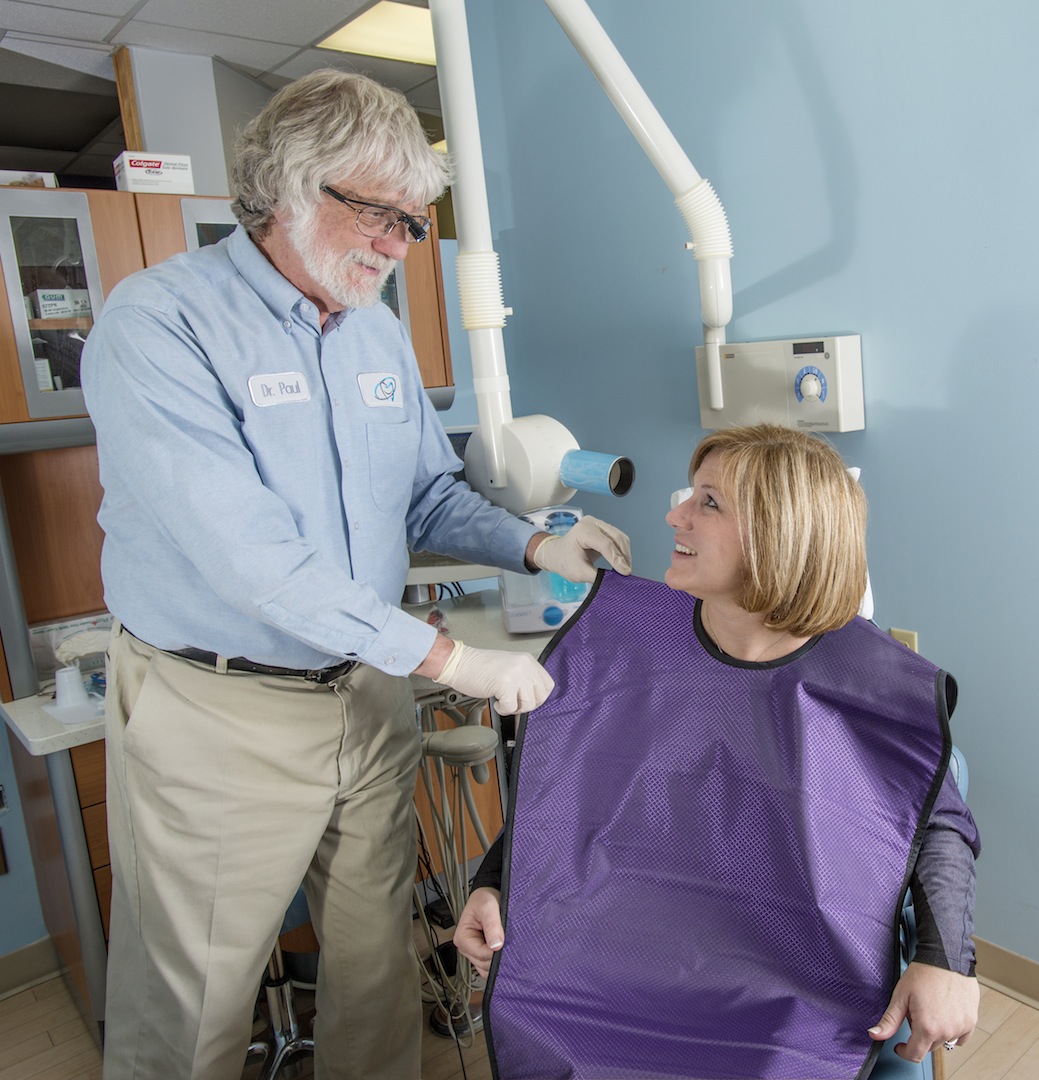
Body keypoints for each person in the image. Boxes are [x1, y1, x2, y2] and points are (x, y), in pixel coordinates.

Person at [80, 69, 631, 1080]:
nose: (397, 244)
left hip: (366, 696)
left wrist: (535, 544)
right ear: (286, 187)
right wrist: (454, 662)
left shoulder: (373, 327)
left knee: (377, 974)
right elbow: (252, 561)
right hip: (223, 711)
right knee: (191, 1008)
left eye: (413, 222)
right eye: (378, 213)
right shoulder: (160, 324)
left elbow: (421, 496)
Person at [454, 423, 979, 1076]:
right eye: (689, 495)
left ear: (777, 533)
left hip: (790, 988)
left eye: (708, 502)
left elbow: (937, 824)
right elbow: (560, 779)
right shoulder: (628, 641)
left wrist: (945, 959)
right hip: (608, 969)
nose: (674, 516)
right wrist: (492, 884)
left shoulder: (868, 683)